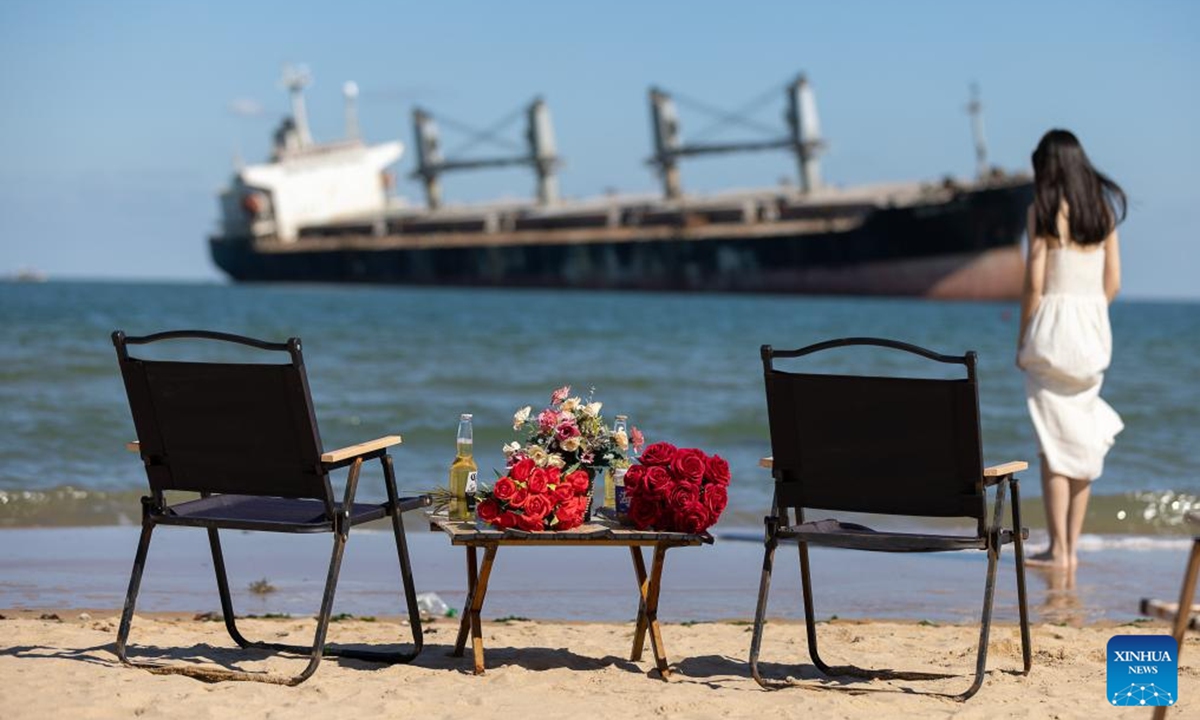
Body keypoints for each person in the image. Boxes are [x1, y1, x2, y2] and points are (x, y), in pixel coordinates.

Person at [1017, 129, 1125, 570]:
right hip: (1092, 334)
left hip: (1052, 335)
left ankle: (1057, 549)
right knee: (1079, 443)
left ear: (1048, 168)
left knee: (1053, 446)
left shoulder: (1041, 211)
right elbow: (1113, 283)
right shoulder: (1101, 212)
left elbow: (1033, 284)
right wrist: (1091, 315)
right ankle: (1072, 549)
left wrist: (1023, 335)